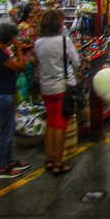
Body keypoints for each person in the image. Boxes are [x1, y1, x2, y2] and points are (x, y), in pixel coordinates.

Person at [34, 9, 79, 176]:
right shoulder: (64, 41)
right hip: (62, 87)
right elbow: (76, 61)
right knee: (61, 124)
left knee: (51, 122)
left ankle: (49, 158)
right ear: (58, 25)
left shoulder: (38, 43)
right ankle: (58, 162)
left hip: (45, 88)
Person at [0, 22, 30, 179]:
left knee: (8, 129)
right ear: (11, 37)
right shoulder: (0, 55)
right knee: (5, 132)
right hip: (3, 95)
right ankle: (1, 168)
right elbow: (21, 66)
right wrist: (19, 50)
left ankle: (10, 161)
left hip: (1, 93)